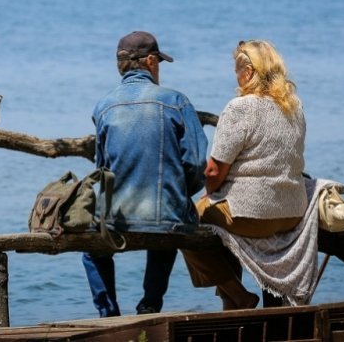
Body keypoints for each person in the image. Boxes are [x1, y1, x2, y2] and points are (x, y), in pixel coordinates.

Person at [82, 30, 208, 317]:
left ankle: (108, 314)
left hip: (117, 216)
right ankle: (150, 303)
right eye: (159, 63)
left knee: (92, 251)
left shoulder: (103, 106)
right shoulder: (176, 100)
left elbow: (102, 168)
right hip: (168, 217)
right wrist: (179, 192)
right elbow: (197, 162)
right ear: (151, 61)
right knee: (167, 230)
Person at [182, 39, 308, 310]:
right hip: (291, 213)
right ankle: (230, 303)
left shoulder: (240, 107)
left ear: (248, 72)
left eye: (237, 70)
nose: (235, 76)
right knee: (216, 214)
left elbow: (214, 170)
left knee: (185, 221)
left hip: (251, 214)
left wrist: (208, 192)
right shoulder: (294, 107)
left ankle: (237, 295)